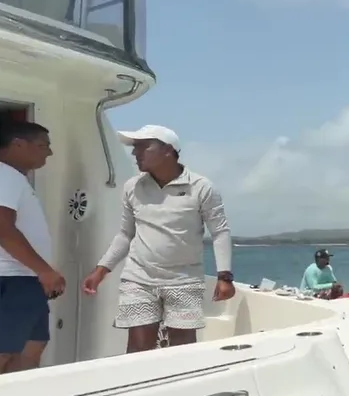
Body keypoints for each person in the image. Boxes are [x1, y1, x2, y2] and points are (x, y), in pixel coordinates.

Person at [81, 125, 236, 353]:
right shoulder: (133, 187)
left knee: (182, 348)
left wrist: (225, 277)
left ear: (168, 150)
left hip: (184, 279)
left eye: (143, 146)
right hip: (139, 278)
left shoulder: (202, 187)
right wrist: (100, 270)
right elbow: (125, 234)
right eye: (135, 147)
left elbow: (219, 232)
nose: (135, 153)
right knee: (138, 347)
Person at [0, 121, 63, 377]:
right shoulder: (1, 176)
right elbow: (2, 229)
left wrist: (40, 272)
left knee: (30, 350)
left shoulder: (12, 178)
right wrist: (45, 271)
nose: (49, 153)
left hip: (24, 278)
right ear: (18, 144)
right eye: (43, 146)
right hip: (4, 278)